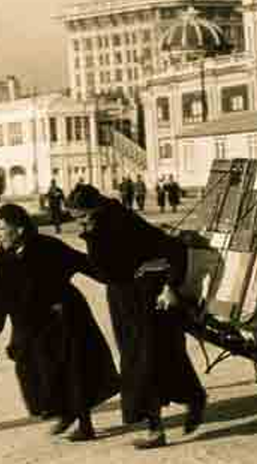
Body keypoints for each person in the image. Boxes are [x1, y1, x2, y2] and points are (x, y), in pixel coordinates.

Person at [67, 183, 207, 450]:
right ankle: (192, 400)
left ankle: (159, 428)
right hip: (123, 302)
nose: (80, 223)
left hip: (149, 299)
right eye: (76, 219)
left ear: (95, 209)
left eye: (82, 217)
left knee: (147, 361)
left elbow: (174, 249)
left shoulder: (124, 223)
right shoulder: (99, 227)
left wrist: (170, 287)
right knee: (145, 360)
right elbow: (106, 273)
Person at [0, 203, 119, 442]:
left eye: (2, 229)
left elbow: (85, 264)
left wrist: (120, 274)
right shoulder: (4, 256)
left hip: (63, 317)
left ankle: (85, 425)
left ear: (20, 229)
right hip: (30, 324)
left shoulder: (47, 247)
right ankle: (64, 412)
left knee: (72, 369)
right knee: (33, 369)